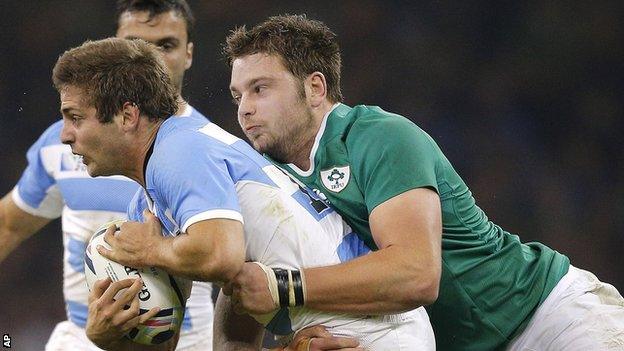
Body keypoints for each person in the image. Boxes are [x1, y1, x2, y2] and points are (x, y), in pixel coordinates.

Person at [223, 14, 624, 350]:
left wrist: (285, 287)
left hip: (547, 319)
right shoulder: (265, 179)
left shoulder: (378, 136)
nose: (245, 109)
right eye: (237, 95)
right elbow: (246, 297)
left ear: (315, 88)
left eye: (260, 89)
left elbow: (416, 273)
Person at [52, 37, 436, 350]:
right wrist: (109, 336)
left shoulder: (179, 151)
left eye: (75, 117)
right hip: (328, 333)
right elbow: (163, 340)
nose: (65, 135)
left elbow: (221, 254)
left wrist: (149, 251)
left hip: (378, 334)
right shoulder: (149, 198)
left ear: (127, 115)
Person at [0, 1, 215, 349]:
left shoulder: (211, 150)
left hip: (184, 343)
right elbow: (8, 224)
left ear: (188, 54)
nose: (151, 58)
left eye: (166, 45)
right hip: (83, 339)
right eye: (135, 44)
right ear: (114, 48)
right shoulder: (63, 142)